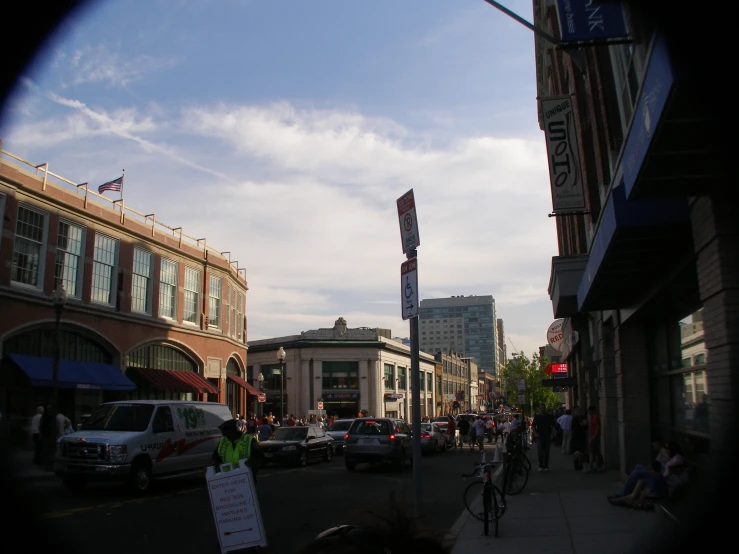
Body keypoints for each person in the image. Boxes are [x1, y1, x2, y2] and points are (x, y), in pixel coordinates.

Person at [212, 418, 264, 484]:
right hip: (228, 480)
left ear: (236, 431)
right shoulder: (223, 441)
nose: (226, 436)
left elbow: (260, 457)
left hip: (246, 479)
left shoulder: (249, 440)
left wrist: (252, 463)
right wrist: (213, 464)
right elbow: (216, 457)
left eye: (227, 433)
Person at [532, 404, 554, 471]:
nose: (542, 409)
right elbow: (533, 425)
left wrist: (552, 433)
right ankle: (541, 465)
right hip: (539, 436)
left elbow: (552, 425)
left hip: (547, 435)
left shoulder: (549, 416)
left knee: (546, 452)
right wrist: (535, 433)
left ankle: (546, 465)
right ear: (539, 409)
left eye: (543, 408)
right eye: (541, 408)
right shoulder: (537, 417)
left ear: (545, 408)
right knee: (540, 451)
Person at [586, 406, 602, 473]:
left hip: (594, 437)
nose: (588, 413)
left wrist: (594, 436)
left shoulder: (595, 417)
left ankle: (591, 467)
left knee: (592, 452)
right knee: (595, 452)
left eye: (589, 411)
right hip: (594, 436)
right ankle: (597, 467)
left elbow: (597, 427)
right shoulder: (593, 417)